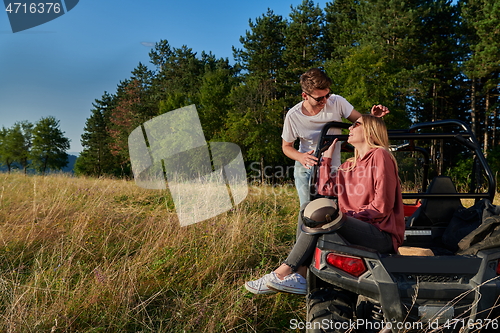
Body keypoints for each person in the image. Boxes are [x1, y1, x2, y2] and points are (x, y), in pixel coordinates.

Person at [245, 115, 405, 295]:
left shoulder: (380, 155)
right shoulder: (350, 165)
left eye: (355, 125)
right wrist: (327, 159)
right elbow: (325, 188)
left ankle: (282, 271)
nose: (350, 129)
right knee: (307, 208)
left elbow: (382, 206)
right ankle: (301, 274)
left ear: (370, 130)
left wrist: (344, 217)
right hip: (355, 227)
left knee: (324, 215)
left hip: (379, 234)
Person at [282, 68, 389, 207]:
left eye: (327, 95)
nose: (325, 101)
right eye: (319, 98)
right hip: (307, 168)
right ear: (305, 95)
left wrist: (373, 117)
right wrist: (300, 157)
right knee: (308, 210)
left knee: (333, 210)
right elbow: (286, 146)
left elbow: (360, 123)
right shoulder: (293, 116)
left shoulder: (337, 102)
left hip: (333, 167)